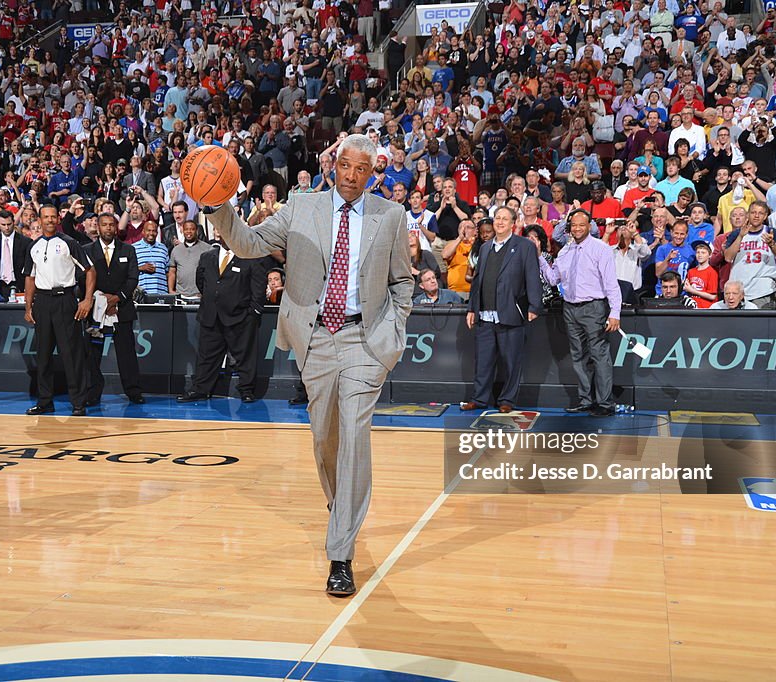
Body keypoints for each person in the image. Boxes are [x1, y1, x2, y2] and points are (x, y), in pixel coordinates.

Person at [201, 133, 413, 597]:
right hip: (315, 338)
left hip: (364, 339)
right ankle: (344, 509)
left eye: (364, 169)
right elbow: (248, 243)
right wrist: (218, 204)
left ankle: (341, 553)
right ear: (334, 164)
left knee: (355, 435)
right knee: (325, 440)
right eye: (348, 167)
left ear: (373, 171)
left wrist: (393, 330)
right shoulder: (300, 206)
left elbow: (403, 280)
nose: (354, 177)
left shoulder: (391, 216)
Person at [538, 209, 622, 417]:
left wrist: (615, 313)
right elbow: (552, 279)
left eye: (581, 225)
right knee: (579, 357)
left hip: (594, 307)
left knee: (599, 355)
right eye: (573, 225)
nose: (576, 228)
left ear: (589, 226)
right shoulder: (565, 251)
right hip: (570, 308)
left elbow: (611, 284)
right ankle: (586, 400)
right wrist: (539, 256)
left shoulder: (600, 249)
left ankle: (605, 403)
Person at [463, 206, 542, 412]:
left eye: (504, 219)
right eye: (497, 218)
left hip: (510, 313)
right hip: (485, 315)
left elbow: (532, 276)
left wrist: (534, 305)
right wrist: (473, 308)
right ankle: (479, 399)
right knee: (483, 362)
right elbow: (478, 281)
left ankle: (507, 400)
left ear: (513, 223)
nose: (499, 222)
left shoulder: (524, 246)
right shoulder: (485, 247)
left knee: (511, 362)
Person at [178, 224, 267, 403]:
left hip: (240, 318)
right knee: (206, 356)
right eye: (224, 234)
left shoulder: (250, 258)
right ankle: (200, 389)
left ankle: (247, 390)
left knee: (245, 357)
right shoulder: (207, 257)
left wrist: (252, 313)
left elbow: (258, 289)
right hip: (211, 316)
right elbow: (201, 282)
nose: (226, 237)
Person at [23, 205, 96, 417]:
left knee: (71, 354)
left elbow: (90, 271)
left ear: (58, 219)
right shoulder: (33, 246)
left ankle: (78, 403)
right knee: (43, 354)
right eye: (45, 217)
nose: (49, 220)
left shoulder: (69, 243)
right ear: (39, 219)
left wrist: (87, 300)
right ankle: (45, 401)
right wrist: (29, 307)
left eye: (53, 217)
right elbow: (29, 277)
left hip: (65, 300)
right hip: (42, 301)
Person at [84, 213, 144, 406]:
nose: (108, 228)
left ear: (116, 227)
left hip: (122, 308)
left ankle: (133, 391)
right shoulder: (87, 250)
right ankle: (93, 391)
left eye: (111, 225)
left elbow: (133, 278)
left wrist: (117, 299)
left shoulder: (128, 250)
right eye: (104, 225)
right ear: (98, 227)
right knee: (92, 353)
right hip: (95, 310)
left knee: (126, 353)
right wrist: (100, 299)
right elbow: (82, 278)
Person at [722, 201, 776, 310]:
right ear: (748, 214)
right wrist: (740, 237)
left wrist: (771, 244)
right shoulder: (736, 233)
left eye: (760, 213)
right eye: (753, 212)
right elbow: (728, 257)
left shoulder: (771, 232)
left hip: (763, 290)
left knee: (760, 325)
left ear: (765, 216)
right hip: (739, 290)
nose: (756, 216)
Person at [0, 209, 31, 297]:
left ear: (14, 222)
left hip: (20, 286)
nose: (6, 227)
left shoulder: (26, 242)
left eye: (9, 224)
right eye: (3, 225)